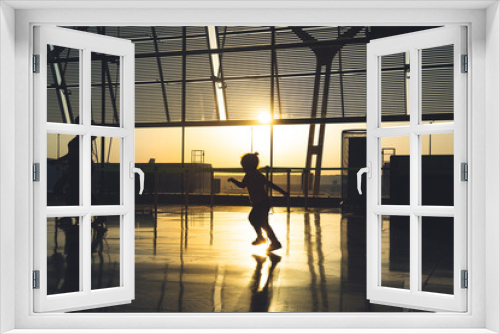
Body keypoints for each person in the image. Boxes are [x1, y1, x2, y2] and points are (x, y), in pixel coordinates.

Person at [228, 152, 288, 252]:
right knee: (260, 221)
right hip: (262, 202)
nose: (243, 168)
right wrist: (283, 192)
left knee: (257, 220)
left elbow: (242, 186)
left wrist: (233, 180)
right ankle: (267, 239)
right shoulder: (255, 174)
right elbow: (270, 184)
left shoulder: (251, 175)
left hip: (262, 203)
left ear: (248, 165)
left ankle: (269, 240)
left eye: (243, 165)